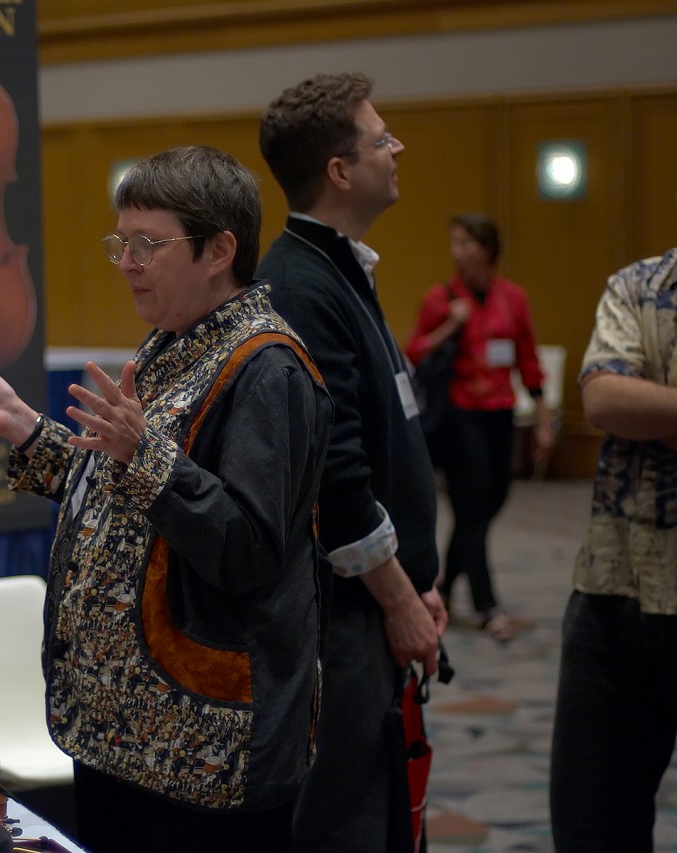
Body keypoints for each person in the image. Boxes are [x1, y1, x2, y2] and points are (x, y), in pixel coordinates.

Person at [0, 145, 332, 851]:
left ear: (219, 249)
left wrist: (147, 455)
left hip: (203, 748)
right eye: (121, 242)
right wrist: (27, 431)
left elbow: (250, 551)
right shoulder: (177, 341)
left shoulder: (267, 367)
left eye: (148, 244)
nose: (126, 261)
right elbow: (123, 499)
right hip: (123, 733)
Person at [256, 72, 447, 851]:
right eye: (380, 139)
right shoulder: (300, 284)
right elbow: (337, 479)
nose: (396, 149)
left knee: (379, 810)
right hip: (341, 621)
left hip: (373, 604)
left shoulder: (337, 269)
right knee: (349, 822)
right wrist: (400, 597)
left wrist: (418, 583)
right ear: (340, 170)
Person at [548, 247, 677, 851]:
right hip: (615, 588)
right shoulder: (640, 284)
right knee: (594, 822)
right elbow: (603, 399)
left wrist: (656, 408)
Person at [406, 213, 555, 641]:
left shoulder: (513, 298)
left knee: (490, 503)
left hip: (500, 412)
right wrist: (450, 324)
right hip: (459, 415)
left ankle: (447, 584)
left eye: (465, 244)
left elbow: (528, 360)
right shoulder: (441, 298)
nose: (457, 252)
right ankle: (488, 604)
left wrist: (543, 419)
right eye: (453, 243)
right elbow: (413, 350)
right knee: (472, 506)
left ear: (487, 251)